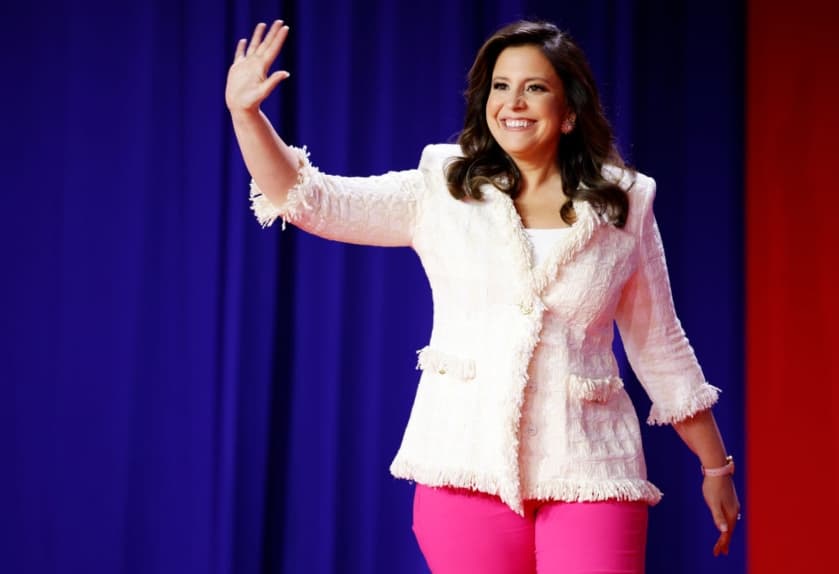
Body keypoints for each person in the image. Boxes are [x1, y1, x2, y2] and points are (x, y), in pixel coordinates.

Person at [226, 18, 741, 574]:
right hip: (463, 464)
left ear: (570, 110)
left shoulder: (626, 201)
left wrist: (716, 467)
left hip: (591, 465)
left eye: (534, 87)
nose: (512, 102)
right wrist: (246, 115)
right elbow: (312, 200)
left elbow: (660, 344)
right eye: (501, 86)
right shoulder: (442, 185)